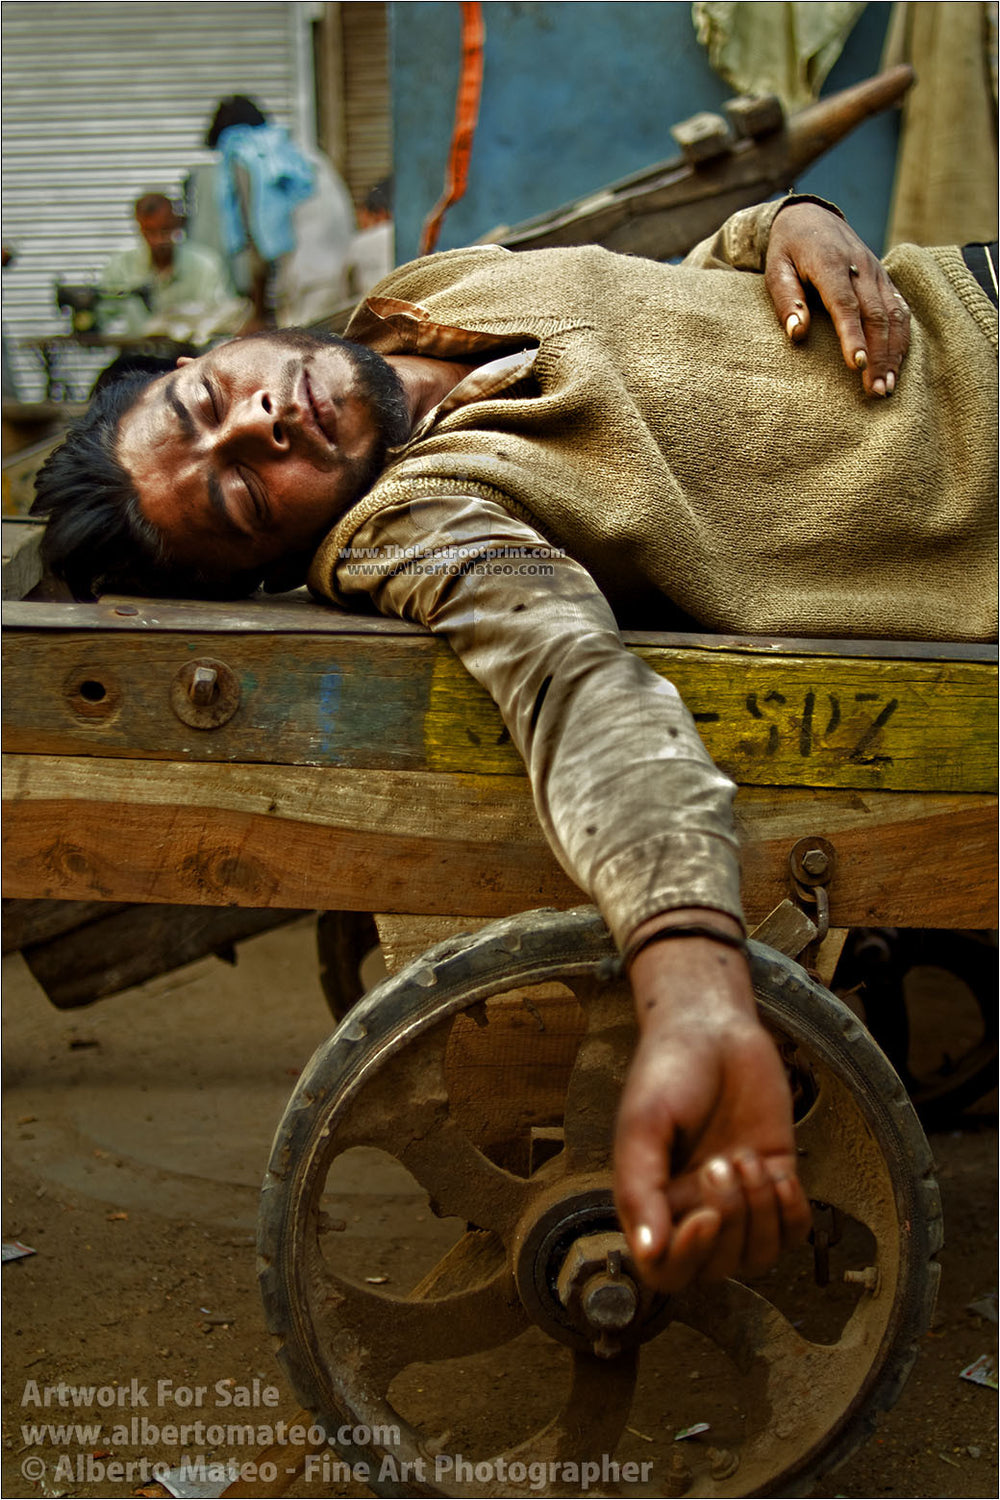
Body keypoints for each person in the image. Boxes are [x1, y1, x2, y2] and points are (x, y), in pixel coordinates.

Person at [32, 196, 998, 1295]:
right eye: (247, 494)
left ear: (210, 350)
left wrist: (781, 226)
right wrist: (693, 983)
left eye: (208, 398)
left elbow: (667, 302)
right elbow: (573, 688)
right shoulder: (423, 521)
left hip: (965, 285)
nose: (258, 423)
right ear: (278, 562)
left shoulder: (418, 299)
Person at [198, 95, 356, 331]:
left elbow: (256, 238)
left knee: (300, 346)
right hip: (340, 265)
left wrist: (257, 313)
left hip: (306, 276)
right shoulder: (297, 149)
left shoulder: (245, 156)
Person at [98, 193, 244, 343]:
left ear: (176, 224)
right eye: (150, 232)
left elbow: (225, 318)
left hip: (194, 352)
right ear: (140, 227)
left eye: (165, 230)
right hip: (135, 351)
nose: (159, 240)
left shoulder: (206, 266)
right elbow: (105, 319)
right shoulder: (121, 269)